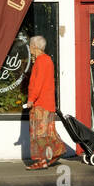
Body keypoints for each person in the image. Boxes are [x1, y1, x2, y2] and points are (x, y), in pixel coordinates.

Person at [22, 36, 62, 169]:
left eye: (30, 45)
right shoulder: (47, 60)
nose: (29, 48)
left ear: (34, 46)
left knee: (38, 134)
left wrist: (31, 99)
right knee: (47, 133)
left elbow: (37, 83)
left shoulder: (41, 61)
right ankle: (52, 155)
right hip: (48, 102)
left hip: (41, 103)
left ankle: (43, 161)